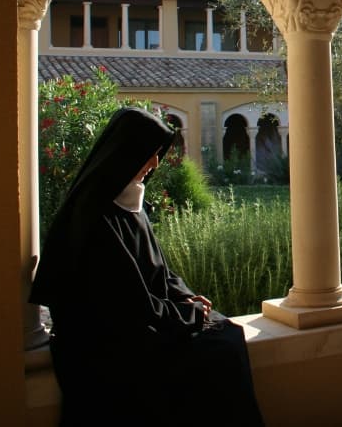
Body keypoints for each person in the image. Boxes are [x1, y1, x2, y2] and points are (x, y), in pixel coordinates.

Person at [30, 107, 263, 426]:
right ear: (126, 152)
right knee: (221, 349)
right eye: (149, 154)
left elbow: (159, 270)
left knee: (226, 335)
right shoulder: (93, 217)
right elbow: (126, 304)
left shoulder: (129, 203)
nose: (154, 164)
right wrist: (189, 313)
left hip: (137, 320)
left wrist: (186, 297)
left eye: (158, 154)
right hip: (104, 340)